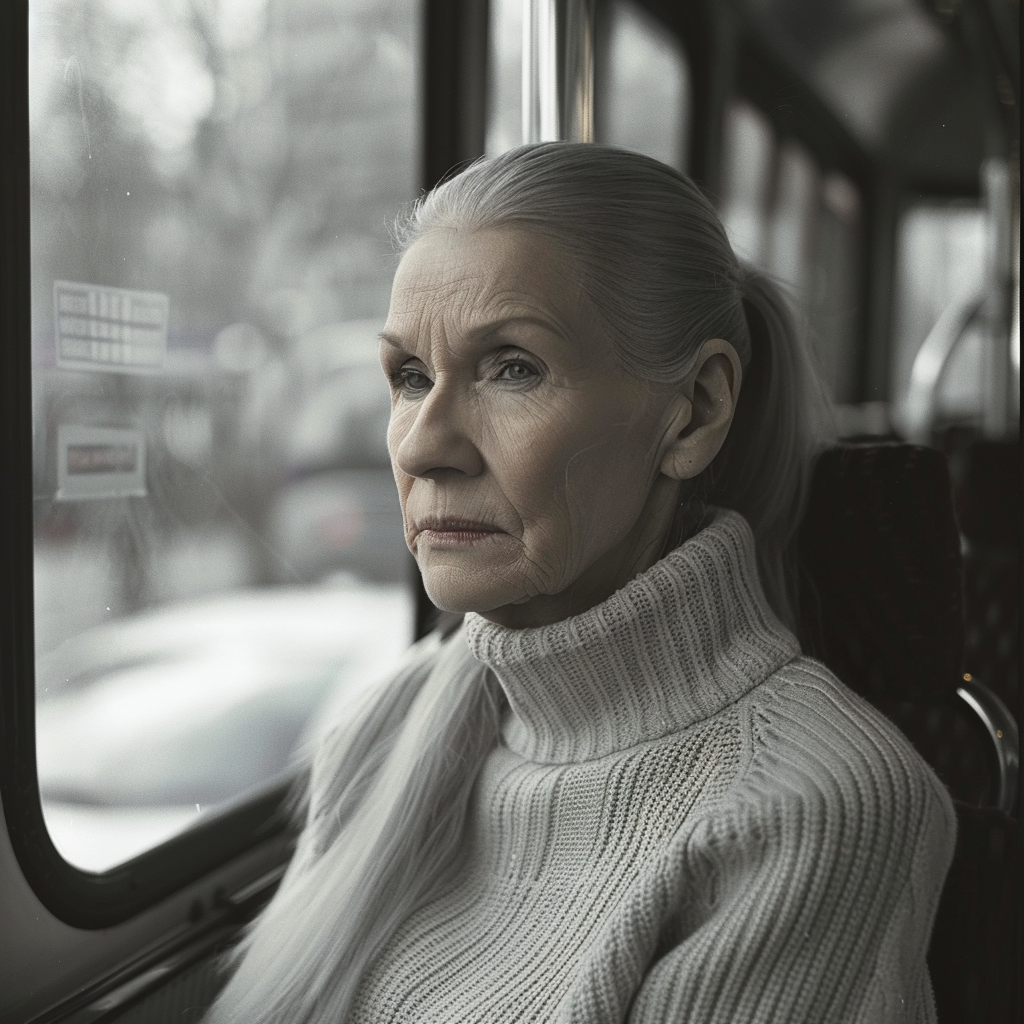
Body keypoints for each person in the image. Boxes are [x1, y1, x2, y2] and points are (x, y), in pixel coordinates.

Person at [206, 143, 955, 1024]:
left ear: (698, 411)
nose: (419, 446)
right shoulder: (390, 724)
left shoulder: (812, 810)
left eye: (512, 367)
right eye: (410, 377)